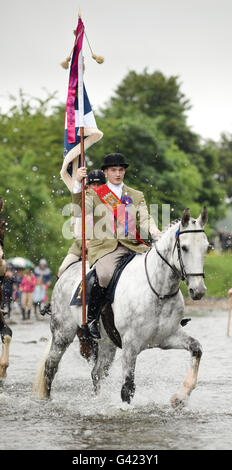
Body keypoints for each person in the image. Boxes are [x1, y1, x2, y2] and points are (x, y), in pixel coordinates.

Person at [73, 152, 161, 339]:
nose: (118, 173)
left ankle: (169, 315)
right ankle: (92, 319)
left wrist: (153, 229)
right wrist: (76, 185)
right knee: (104, 275)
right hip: (106, 247)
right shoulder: (94, 194)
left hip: (133, 245)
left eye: (121, 170)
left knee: (161, 265)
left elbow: (144, 216)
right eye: (113, 170)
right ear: (106, 172)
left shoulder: (136, 195)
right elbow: (80, 208)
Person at [58, 169, 106, 277]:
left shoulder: (109, 204)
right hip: (79, 246)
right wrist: (83, 242)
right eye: (94, 184)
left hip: (100, 247)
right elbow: (76, 230)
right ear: (88, 186)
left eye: (99, 185)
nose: (96, 188)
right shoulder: (82, 203)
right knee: (63, 269)